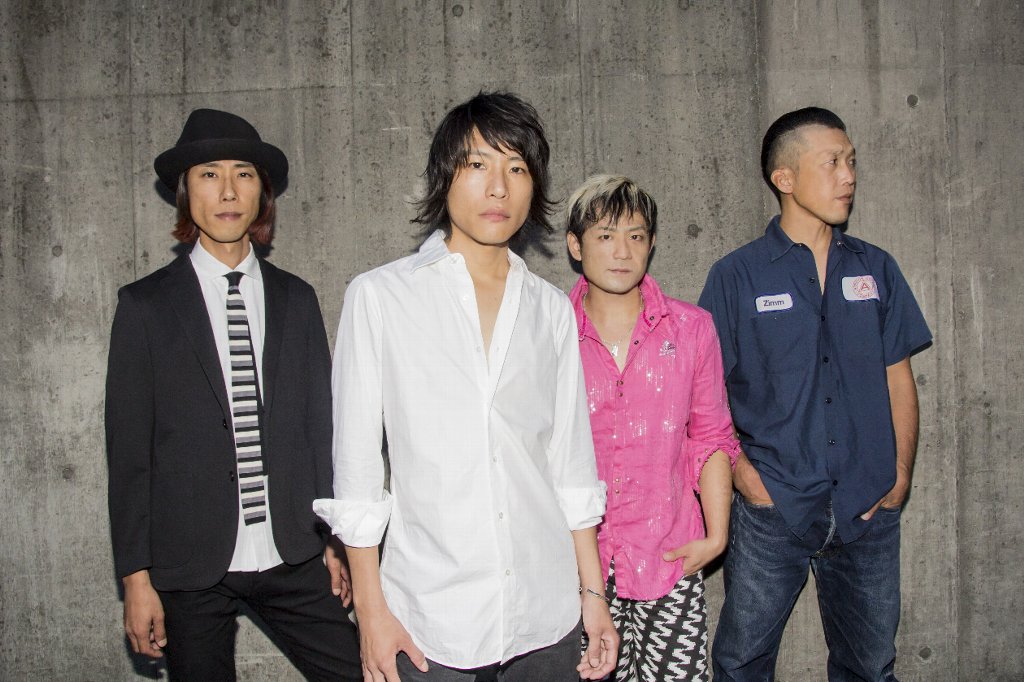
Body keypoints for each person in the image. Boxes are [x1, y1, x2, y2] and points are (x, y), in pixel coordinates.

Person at [313, 91, 619, 682]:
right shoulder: (380, 297)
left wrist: (593, 597)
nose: (498, 187)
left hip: (546, 613)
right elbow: (356, 475)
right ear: (444, 176)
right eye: (478, 164)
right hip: (428, 621)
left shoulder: (551, 309)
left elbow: (572, 468)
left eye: (517, 168)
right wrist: (371, 615)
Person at [105, 108, 361, 681]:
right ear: (185, 192)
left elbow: (320, 429)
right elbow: (129, 456)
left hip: (292, 549)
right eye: (209, 174)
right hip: (191, 564)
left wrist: (334, 540)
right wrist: (136, 578)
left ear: (262, 193)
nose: (227, 191)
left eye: (243, 174)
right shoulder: (144, 307)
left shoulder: (297, 298)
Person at [698, 107, 932, 681]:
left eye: (851, 161)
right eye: (832, 162)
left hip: (868, 506)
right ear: (785, 178)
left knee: (870, 667)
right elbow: (703, 394)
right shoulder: (736, 276)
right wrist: (745, 477)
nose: (848, 175)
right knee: (740, 665)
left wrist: (900, 475)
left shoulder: (877, 269)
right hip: (773, 508)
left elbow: (898, 378)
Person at [565, 174, 738, 680]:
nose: (622, 251)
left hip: (668, 557)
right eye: (605, 235)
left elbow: (711, 436)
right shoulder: (550, 329)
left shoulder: (692, 329)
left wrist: (717, 535)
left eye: (635, 236)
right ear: (576, 246)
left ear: (652, 243)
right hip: (574, 566)